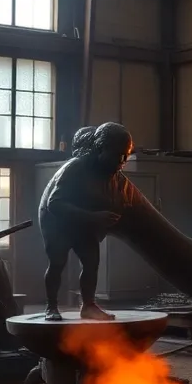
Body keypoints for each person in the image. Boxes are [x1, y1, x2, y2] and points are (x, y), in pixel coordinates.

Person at [39, 122, 133, 321]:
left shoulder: (112, 173)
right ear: (100, 149)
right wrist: (95, 217)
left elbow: (121, 199)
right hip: (56, 221)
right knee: (57, 262)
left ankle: (88, 306)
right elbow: (54, 203)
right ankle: (51, 306)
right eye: (118, 155)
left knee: (91, 262)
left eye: (126, 156)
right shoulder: (75, 167)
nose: (122, 161)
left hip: (84, 221)